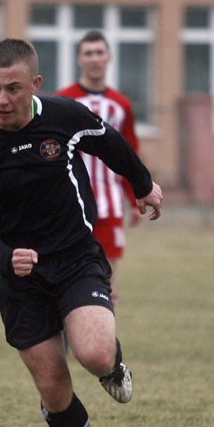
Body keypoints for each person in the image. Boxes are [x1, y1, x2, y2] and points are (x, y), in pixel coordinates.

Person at [0, 38, 162, 427]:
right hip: (19, 279)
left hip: (75, 258)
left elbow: (111, 144)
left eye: (12, 88)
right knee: (52, 384)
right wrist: (5, 256)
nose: (1, 99)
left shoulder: (63, 116)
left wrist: (143, 185)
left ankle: (113, 365)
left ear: (35, 84)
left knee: (95, 354)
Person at [56, 30, 141, 302]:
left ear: (109, 57)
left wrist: (135, 195)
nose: (95, 59)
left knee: (107, 281)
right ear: (79, 59)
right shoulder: (63, 100)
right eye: (88, 53)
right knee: (65, 278)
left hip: (109, 205)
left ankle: (104, 343)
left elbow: (129, 153)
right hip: (70, 205)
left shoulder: (121, 105)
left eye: (99, 52)